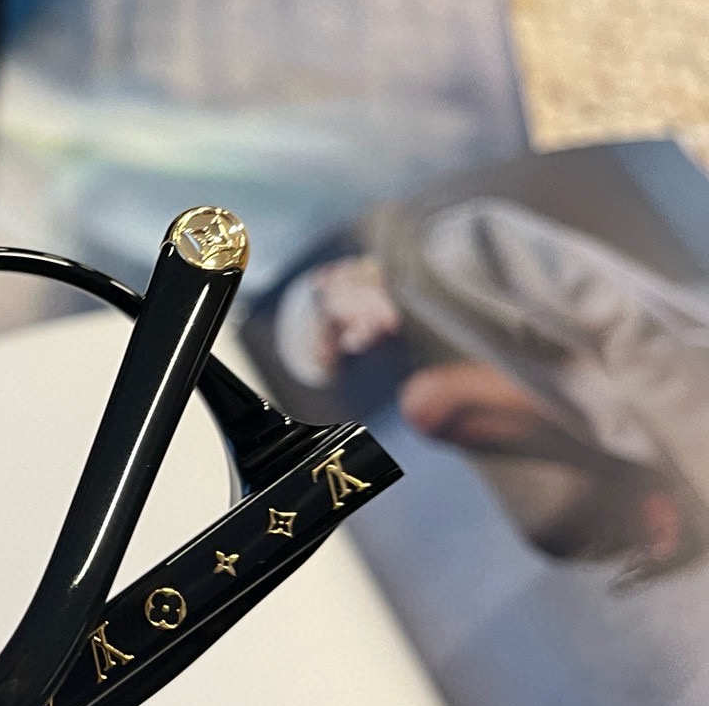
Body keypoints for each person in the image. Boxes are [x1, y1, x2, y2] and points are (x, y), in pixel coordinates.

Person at [272, 195, 709, 582]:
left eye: (338, 327)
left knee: (427, 402)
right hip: (653, 424)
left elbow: (630, 329)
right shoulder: (425, 333)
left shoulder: (455, 247)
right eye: (348, 358)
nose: (357, 342)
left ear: (331, 276)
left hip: (689, 380)